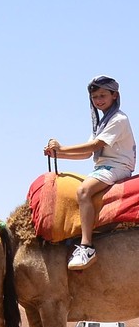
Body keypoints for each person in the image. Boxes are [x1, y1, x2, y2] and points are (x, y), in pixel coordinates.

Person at [44, 75, 135, 271]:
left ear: (114, 96)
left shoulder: (119, 119)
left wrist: (62, 149)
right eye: (95, 97)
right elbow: (87, 153)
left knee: (83, 192)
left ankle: (86, 246)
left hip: (117, 166)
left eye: (103, 95)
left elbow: (95, 145)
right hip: (103, 167)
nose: (99, 100)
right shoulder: (102, 124)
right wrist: (58, 154)